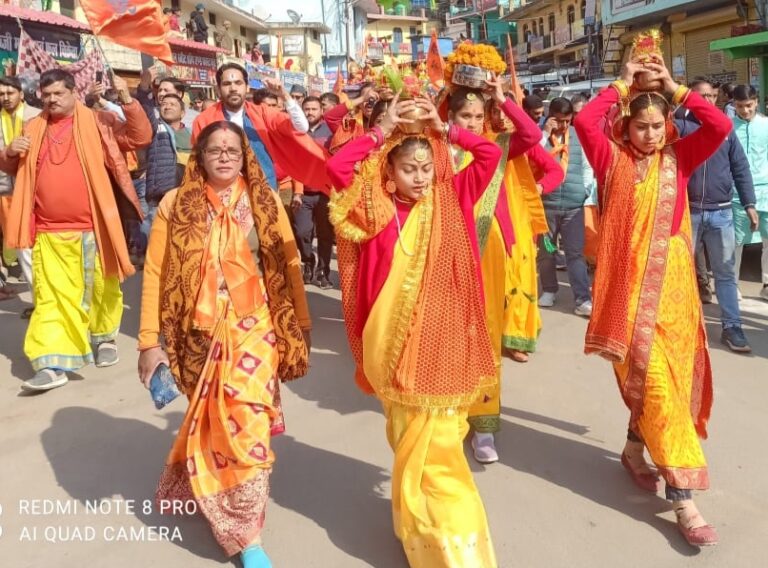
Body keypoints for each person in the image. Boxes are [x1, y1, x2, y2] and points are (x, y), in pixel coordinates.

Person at [327, 93, 501, 567]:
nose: (420, 177)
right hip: (391, 345)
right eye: (409, 169)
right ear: (390, 172)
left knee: (441, 445)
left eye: (426, 168)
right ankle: (415, 527)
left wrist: (446, 129)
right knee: (405, 438)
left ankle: (455, 549)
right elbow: (339, 170)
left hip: (444, 348)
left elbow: (490, 153)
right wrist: (380, 131)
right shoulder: (377, 206)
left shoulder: (453, 196)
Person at [575, 52, 731, 547]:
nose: (649, 134)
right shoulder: (611, 159)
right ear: (627, 125)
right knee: (659, 389)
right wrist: (621, 83)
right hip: (629, 296)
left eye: (657, 124)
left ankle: (631, 450)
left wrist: (677, 88)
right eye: (640, 126)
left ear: (668, 123)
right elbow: (584, 119)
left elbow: (720, 123)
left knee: (666, 387)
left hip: (677, 294)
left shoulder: (678, 159)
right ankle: (684, 500)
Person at [138, 121, 310, 568]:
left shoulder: (265, 202)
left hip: (255, 327)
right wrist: (148, 343)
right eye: (214, 150)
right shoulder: (177, 205)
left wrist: (302, 324)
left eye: (232, 150)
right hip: (196, 334)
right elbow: (155, 273)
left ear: (244, 155)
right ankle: (209, 487)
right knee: (214, 425)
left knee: (248, 426)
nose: (224, 157)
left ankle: (246, 533)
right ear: (199, 156)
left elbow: (288, 266)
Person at [0, 69, 151, 391]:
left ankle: (103, 337)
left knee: (101, 288)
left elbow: (140, 138)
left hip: (95, 227)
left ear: (74, 92)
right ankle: (52, 360)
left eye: (58, 93)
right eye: (47, 94)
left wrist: (127, 98)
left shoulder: (99, 122)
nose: (52, 100)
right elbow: (15, 166)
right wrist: (11, 152)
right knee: (52, 296)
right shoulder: (33, 126)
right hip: (48, 231)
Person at [447, 82, 542, 463]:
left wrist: (502, 98)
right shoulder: (437, 152)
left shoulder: (499, 146)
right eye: (464, 116)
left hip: (491, 252)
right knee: (452, 337)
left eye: (477, 116)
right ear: (451, 118)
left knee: (485, 335)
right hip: (448, 250)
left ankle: (484, 424)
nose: (472, 122)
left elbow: (532, 134)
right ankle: (450, 416)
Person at [676, 78, 758, 352]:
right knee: (682, 272)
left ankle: (732, 327)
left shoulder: (726, 130)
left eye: (711, 96)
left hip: (722, 212)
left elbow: (740, 168)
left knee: (724, 273)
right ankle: (685, 327)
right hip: (688, 213)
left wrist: (749, 203)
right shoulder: (678, 127)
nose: (707, 101)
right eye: (701, 96)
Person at [486, 101, 564, 363]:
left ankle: (515, 336)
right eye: (494, 110)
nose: (499, 117)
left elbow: (555, 171)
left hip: (516, 218)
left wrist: (537, 189)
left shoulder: (514, 143)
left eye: (504, 111)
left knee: (517, 277)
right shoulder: (479, 140)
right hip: (483, 216)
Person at [193, 64, 326, 194]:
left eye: (238, 83)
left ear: (247, 87)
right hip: (223, 192)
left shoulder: (262, 113)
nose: (233, 88)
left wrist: (284, 95)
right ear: (218, 89)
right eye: (227, 84)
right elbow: (199, 162)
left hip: (264, 188)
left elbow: (301, 127)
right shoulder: (204, 120)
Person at [538, 97, 595, 316]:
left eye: (567, 121)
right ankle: (550, 289)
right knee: (547, 251)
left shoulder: (578, 138)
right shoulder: (540, 137)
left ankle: (582, 299)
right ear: (549, 115)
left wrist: (586, 192)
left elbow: (587, 166)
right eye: (558, 120)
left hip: (573, 207)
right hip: (547, 206)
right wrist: (544, 134)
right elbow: (532, 160)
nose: (563, 126)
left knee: (575, 253)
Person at [0, 76, 39, 303]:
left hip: (33, 192)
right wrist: (9, 151)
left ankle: (46, 303)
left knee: (34, 247)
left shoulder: (37, 116)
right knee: (21, 247)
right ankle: (38, 303)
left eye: (10, 93)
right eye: (1, 94)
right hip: (5, 192)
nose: (5, 98)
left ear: (21, 94)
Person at [140, 93, 192, 259]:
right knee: (158, 252)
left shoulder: (192, 134)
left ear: (183, 113)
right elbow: (145, 111)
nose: (167, 106)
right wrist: (144, 89)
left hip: (186, 200)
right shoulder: (155, 129)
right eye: (164, 104)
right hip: (160, 199)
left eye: (173, 104)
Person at [730, 84, 768, 301]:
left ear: (757, 101)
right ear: (733, 105)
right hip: (736, 194)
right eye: (739, 106)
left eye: (749, 105)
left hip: (765, 190)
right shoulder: (727, 127)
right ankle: (731, 285)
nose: (745, 110)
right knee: (736, 241)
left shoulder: (766, 125)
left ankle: (766, 283)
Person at [294, 96, 334, 288]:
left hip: (326, 192)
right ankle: (308, 262)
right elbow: (293, 163)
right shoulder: (297, 132)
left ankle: (323, 273)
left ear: (321, 111)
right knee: (302, 232)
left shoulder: (331, 132)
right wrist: (297, 192)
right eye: (306, 109)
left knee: (325, 235)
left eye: (314, 109)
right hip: (304, 193)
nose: (310, 112)